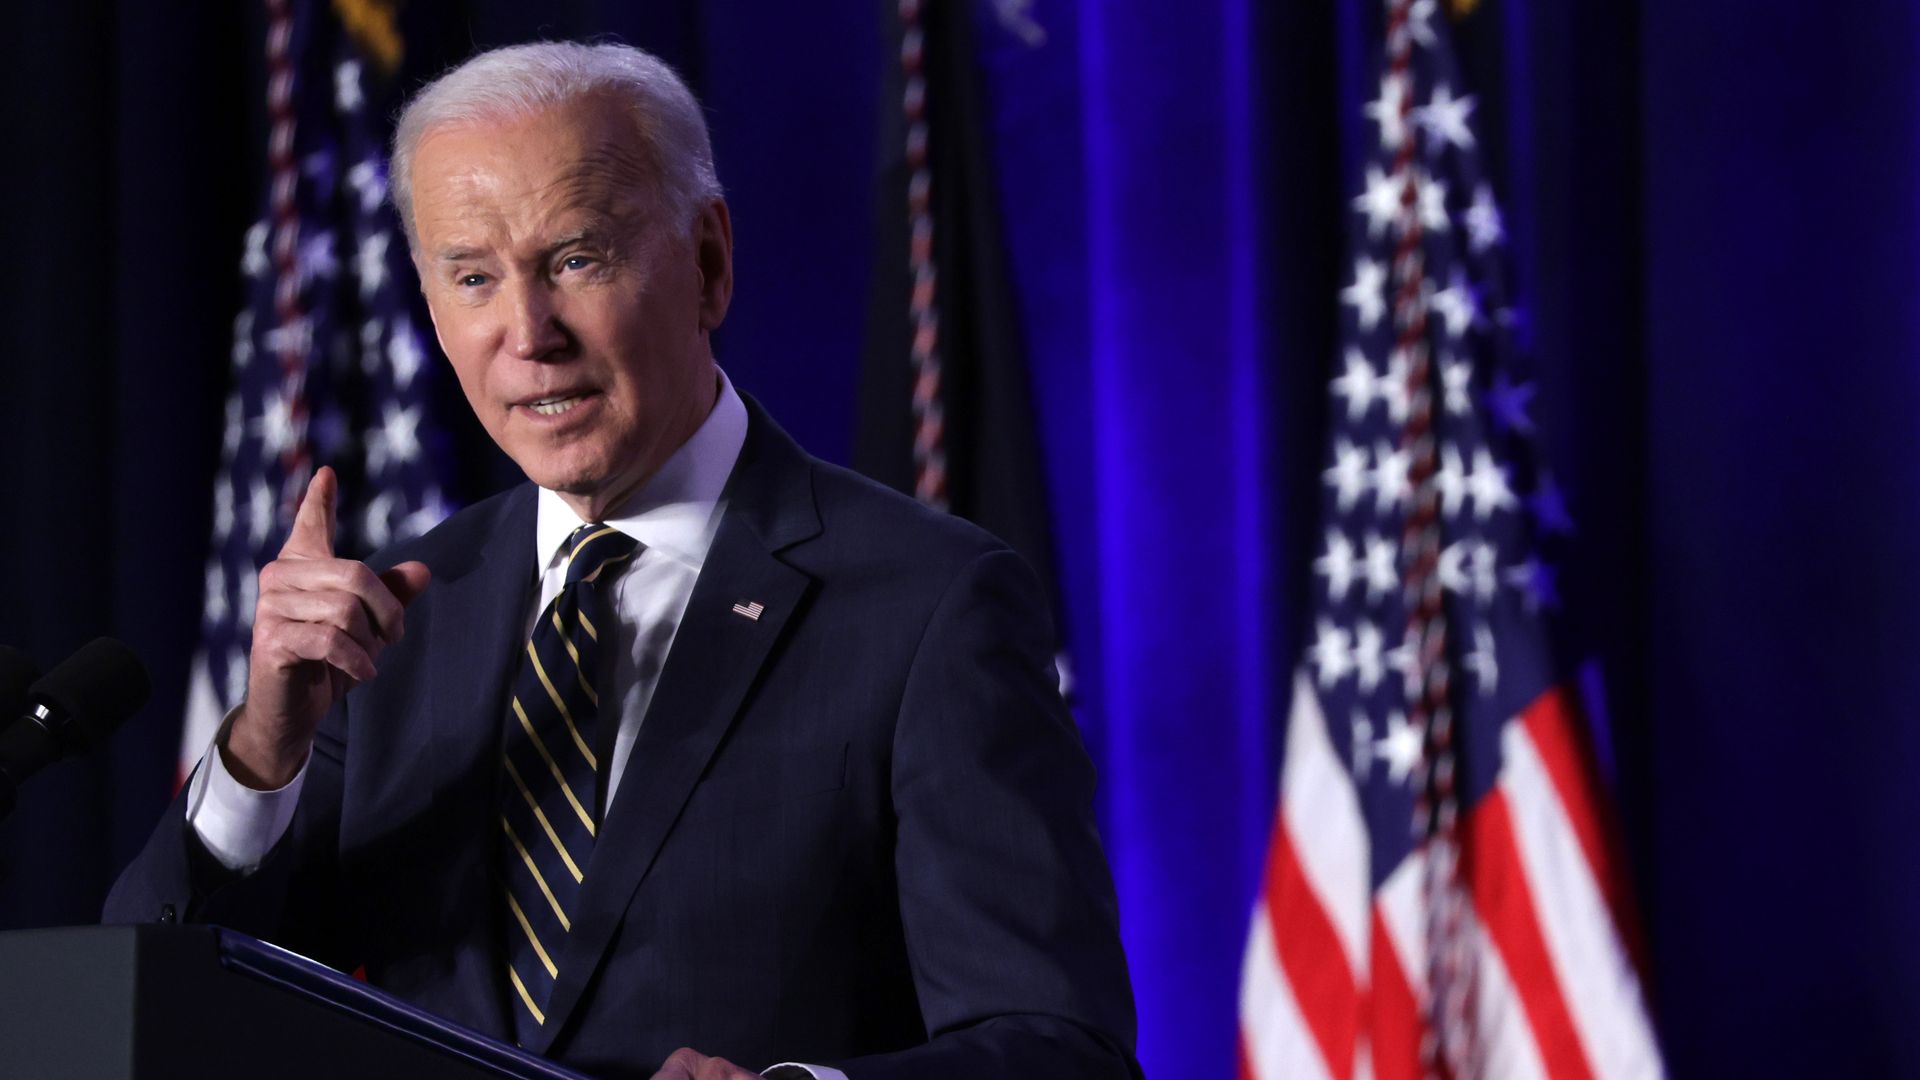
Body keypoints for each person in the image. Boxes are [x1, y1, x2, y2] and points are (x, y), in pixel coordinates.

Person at [105, 40, 1138, 1080]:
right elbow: (155, 1003)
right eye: (473, 277)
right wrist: (261, 758)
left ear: (709, 263)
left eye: (577, 259)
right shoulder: (396, 622)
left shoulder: (927, 605)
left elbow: (1064, 1050)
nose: (528, 333)